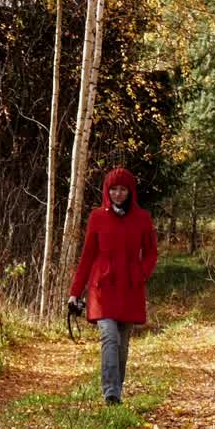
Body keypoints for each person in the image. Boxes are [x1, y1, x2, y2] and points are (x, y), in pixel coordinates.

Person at [68, 166, 159, 405]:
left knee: (123, 343)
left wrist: (140, 273)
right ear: (107, 191)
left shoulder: (142, 218)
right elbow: (87, 256)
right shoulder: (97, 217)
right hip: (103, 288)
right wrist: (74, 293)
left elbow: (151, 253)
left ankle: (116, 388)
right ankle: (111, 392)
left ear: (130, 192)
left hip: (130, 288)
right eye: (114, 189)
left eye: (123, 189)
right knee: (109, 337)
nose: (118, 194)